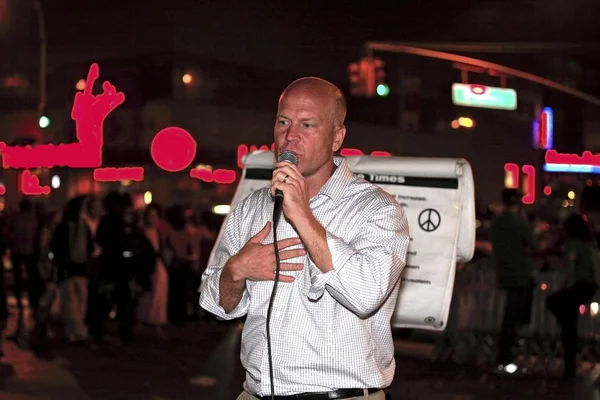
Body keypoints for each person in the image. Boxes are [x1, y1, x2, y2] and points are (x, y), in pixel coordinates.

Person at [200, 77, 409, 399]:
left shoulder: (376, 208)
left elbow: (366, 294)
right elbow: (216, 303)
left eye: (307, 125)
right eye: (283, 121)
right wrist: (234, 271)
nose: (290, 136)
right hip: (255, 393)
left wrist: (302, 214)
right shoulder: (251, 207)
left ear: (336, 137)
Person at [489, 188, 536, 374]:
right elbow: (534, 244)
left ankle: (505, 358)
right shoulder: (520, 223)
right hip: (522, 276)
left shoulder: (498, 222)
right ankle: (508, 359)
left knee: (509, 319)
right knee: (515, 320)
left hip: (505, 275)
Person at [547, 213, 598, 378]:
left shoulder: (572, 244)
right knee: (570, 320)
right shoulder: (588, 243)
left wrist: (566, 285)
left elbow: (570, 264)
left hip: (578, 285)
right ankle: (570, 366)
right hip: (590, 286)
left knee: (553, 302)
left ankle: (569, 365)